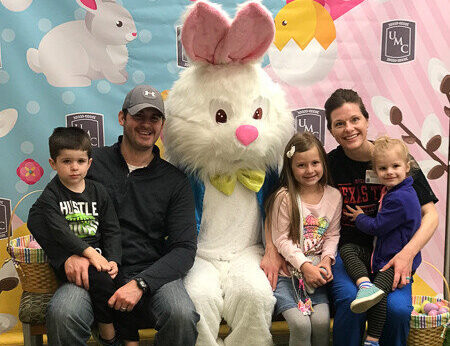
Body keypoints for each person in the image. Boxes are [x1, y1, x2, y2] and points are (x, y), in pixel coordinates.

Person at [28, 84, 200, 346]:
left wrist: (142, 283)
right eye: (138, 116)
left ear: (162, 125)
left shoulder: (174, 180)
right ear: (122, 118)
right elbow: (40, 215)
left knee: (181, 314)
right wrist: (66, 257)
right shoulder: (89, 162)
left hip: (150, 272)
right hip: (94, 272)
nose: (146, 125)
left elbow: (185, 248)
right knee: (63, 313)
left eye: (154, 118)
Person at [325, 88, 438, 346]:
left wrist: (407, 254)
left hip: (393, 254)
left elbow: (430, 213)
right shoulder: (328, 164)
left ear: (367, 120)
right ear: (331, 131)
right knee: (351, 302)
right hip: (351, 253)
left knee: (397, 311)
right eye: (339, 124)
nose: (349, 128)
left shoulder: (396, 158)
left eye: (355, 119)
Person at [28, 126, 126, 345]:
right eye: (66, 161)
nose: (74, 168)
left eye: (80, 161)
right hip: (74, 266)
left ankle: (128, 338)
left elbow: (111, 229)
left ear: (89, 163)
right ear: (53, 163)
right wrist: (89, 253)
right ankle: (108, 333)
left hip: (101, 261)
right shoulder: (51, 195)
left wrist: (113, 260)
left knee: (119, 282)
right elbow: (59, 231)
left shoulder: (98, 191)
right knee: (101, 282)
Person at [341, 136, 422, 346]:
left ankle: (372, 339)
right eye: (383, 168)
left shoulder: (401, 197)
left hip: (393, 262)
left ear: (407, 167)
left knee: (379, 295)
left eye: (395, 166)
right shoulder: (393, 190)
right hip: (383, 253)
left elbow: (377, 226)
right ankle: (364, 283)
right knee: (348, 249)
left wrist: (359, 218)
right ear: (376, 172)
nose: (390, 172)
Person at [265, 132, 342, 346]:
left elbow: (333, 234)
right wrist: (305, 265)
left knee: (321, 322)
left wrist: (326, 260)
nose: (309, 170)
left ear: (323, 163)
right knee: (300, 325)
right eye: (301, 165)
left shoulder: (334, 196)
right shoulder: (284, 197)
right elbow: (281, 240)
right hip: (287, 277)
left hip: (316, 277)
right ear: (290, 167)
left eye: (315, 163)